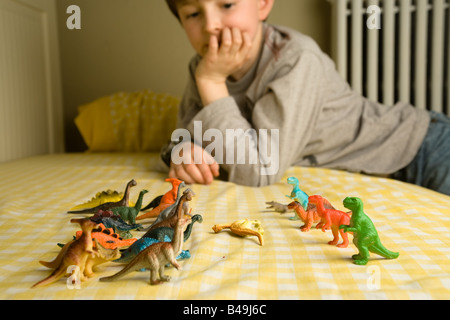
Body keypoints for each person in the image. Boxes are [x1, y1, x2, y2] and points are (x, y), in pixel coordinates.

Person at [161, 0, 450, 196]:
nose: (211, 24)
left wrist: (211, 82)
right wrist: (183, 151)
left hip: (421, 145)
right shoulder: (203, 66)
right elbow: (189, 133)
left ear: (262, 3)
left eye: (226, 4)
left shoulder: (296, 58)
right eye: (193, 13)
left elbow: (259, 171)